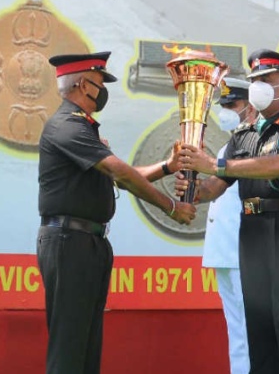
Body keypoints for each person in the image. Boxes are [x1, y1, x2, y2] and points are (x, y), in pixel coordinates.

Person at [37, 51, 196, 374]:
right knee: (69, 347)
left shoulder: (82, 129)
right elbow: (120, 173)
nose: (103, 89)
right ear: (83, 84)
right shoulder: (67, 125)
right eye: (99, 82)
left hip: (87, 243)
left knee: (87, 343)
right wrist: (171, 208)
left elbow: (119, 177)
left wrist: (167, 166)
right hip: (70, 243)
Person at [177, 49, 279, 374]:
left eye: (265, 81)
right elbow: (216, 187)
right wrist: (191, 188)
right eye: (254, 80)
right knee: (258, 332)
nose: (257, 86)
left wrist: (215, 163)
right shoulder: (243, 137)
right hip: (252, 232)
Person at [203, 78, 258, 374]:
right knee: (237, 332)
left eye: (231, 105)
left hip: (245, 249)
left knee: (250, 332)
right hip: (225, 250)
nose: (224, 112)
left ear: (250, 108)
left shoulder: (258, 143)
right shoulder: (231, 144)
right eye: (222, 105)